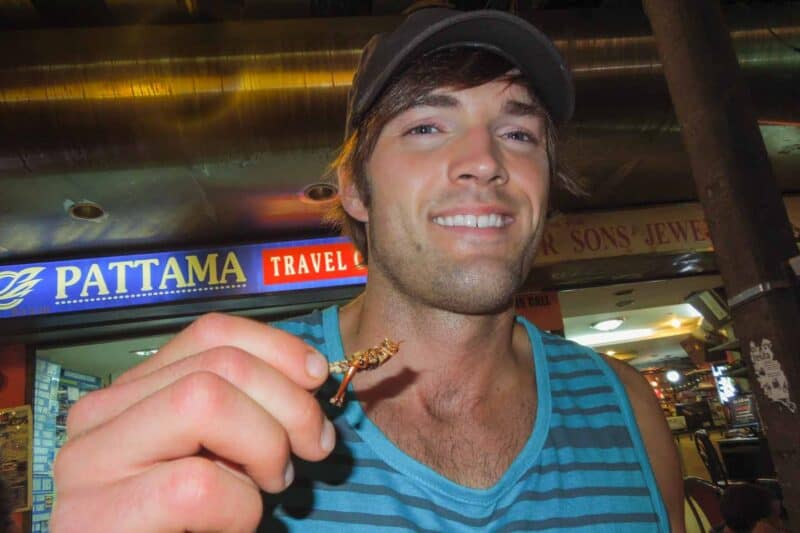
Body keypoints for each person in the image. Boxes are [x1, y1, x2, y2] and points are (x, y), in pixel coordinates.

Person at [51, 7, 684, 532]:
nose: (484, 160)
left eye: (519, 134)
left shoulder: (628, 410)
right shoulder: (228, 412)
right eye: (428, 125)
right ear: (354, 191)